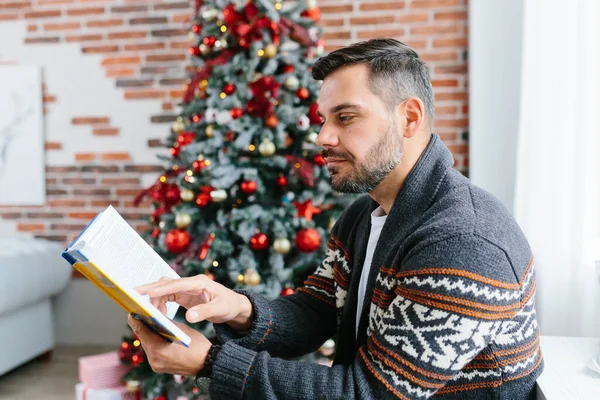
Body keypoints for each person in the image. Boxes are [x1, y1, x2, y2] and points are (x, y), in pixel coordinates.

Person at [129, 38, 543, 399]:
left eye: (345, 118)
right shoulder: (363, 215)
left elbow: (371, 394)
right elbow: (317, 311)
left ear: (410, 118)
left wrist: (210, 362)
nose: (322, 137)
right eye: (324, 120)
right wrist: (237, 308)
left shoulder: (462, 242)